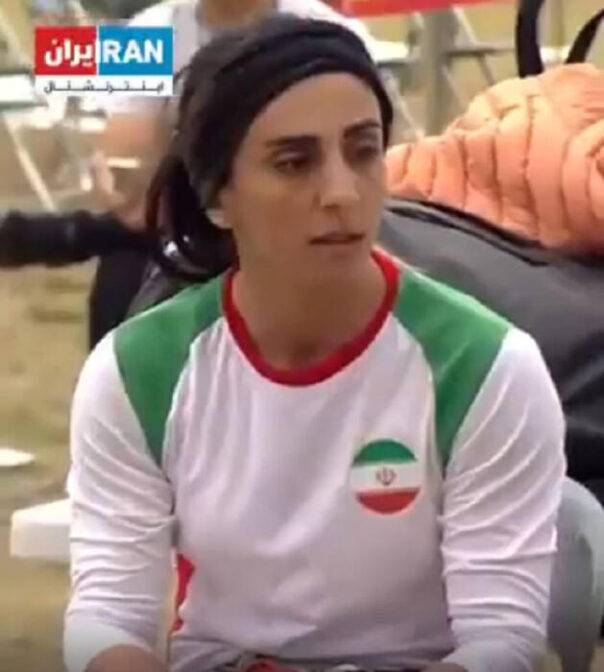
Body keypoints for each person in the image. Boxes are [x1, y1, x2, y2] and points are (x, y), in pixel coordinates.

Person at [64, 15, 566, 672]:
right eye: (294, 163)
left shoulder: (484, 367)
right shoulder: (138, 372)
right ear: (216, 197)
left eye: (363, 151)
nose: (341, 192)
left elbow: (503, 639)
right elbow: (106, 614)